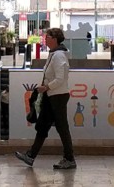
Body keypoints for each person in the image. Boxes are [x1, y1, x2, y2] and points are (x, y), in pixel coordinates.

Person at [15, 27, 75, 170]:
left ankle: (69, 158)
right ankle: (31, 155)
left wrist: (46, 87)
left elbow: (60, 79)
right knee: (43, 125)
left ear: (55, 39)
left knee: (62, 127)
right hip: (51, 95)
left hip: (57, 96)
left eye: (47, 37)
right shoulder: (54, 54)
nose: (45, 39)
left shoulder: (58, 55)